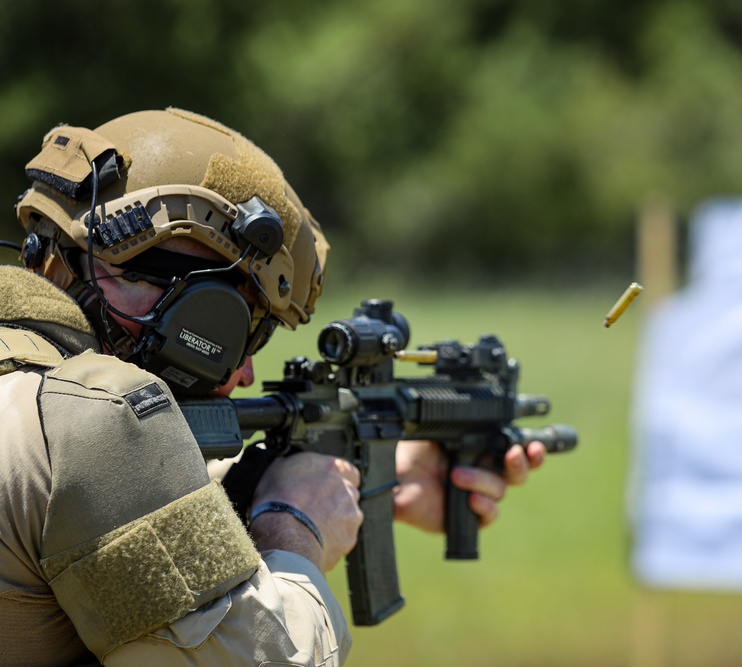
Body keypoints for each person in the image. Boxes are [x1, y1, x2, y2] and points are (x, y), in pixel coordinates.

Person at [0, 108, 545, 666]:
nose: (244, 375)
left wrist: (371, 476)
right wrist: (295, 528)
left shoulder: (25, 388)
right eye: (242, 331)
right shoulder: (92, 419)